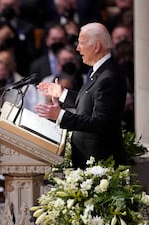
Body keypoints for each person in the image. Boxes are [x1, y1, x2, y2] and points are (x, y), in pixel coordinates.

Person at [35, 22, 127, 168]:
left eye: (81, 43)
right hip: (89, 161)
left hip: (99, 163)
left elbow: (100, 123)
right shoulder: (101, 71)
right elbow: (90, 99)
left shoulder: (109, 76)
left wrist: (60, 116)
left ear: (96, 46)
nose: (77, 48)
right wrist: (62, 93)